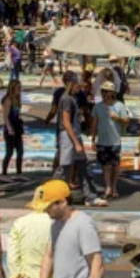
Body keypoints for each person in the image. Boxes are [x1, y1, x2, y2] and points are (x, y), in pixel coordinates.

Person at [56, 72, 106, 206]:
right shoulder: (66, 99)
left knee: (83, 166)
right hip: (68, 136)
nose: (81, 88)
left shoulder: (74, 98)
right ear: (72, 84)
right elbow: (66, 122)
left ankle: (90, 196)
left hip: (74, 134)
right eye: (78, 85)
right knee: (65, 168)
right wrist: (76, 142)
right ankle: (58, 196)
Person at [91, 81, 129, 200]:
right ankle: (108, 187)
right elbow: (94, 123)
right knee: (105, 166)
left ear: (112, 93)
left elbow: (127, 121)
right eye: (103, 91)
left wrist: (117, 118)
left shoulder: (119, 105)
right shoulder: (98, 106)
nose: (104, 94)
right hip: (102, 140)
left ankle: (114, 186)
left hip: (115, 141)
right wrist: (93, 139)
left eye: (107, 92)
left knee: (115, 165)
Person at [1, 79, 26, 177]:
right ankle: (4, 174)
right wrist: (9, 128)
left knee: (20, 151)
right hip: (10, 128)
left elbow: (17, 113)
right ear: (12, 88)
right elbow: (5, 116)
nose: (20, 90)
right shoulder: (8, 100)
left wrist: (20, 120)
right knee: (9, 152)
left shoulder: (18, 98)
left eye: (20, 88)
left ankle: (19, 174)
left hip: (17, 126)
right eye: (18, 88)